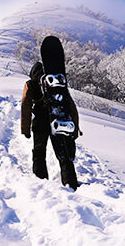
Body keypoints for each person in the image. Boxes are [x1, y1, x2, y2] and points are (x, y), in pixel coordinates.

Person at [21, 62, 80, 190]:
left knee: (39, 152)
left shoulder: (30, 84)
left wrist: (25, 129)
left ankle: (41, 182)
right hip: (58, 121)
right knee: (63, 153)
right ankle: (71, 183)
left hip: (40, 123)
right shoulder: (57, 84)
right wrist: (75, 127)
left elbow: (25, 105)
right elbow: (70, 105)